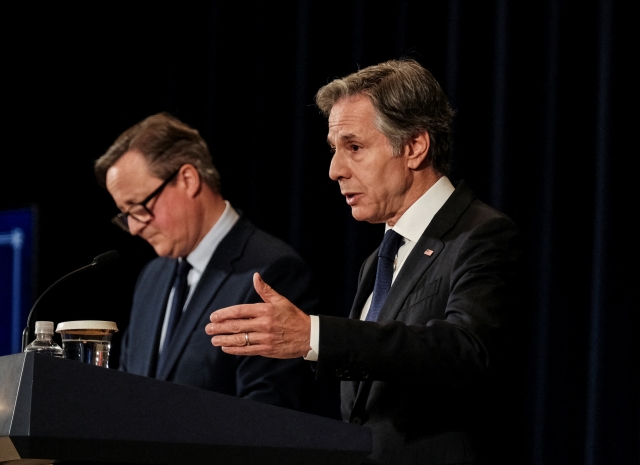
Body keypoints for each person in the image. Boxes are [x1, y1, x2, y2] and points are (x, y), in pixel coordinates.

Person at [206, 59, 520, 464]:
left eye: (354, 147)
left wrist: (314, 336)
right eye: (334, 150)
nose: (335, 170)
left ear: (414, 146)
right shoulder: (378, 260)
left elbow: (464, 350)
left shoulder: (481, 233)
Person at [94, 112, 317, 410]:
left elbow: (266, 413)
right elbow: (128, 391)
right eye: (125, 215)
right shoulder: (152, 276)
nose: (134, 228)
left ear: (187, 179)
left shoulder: (272, 272)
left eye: (138, 207)